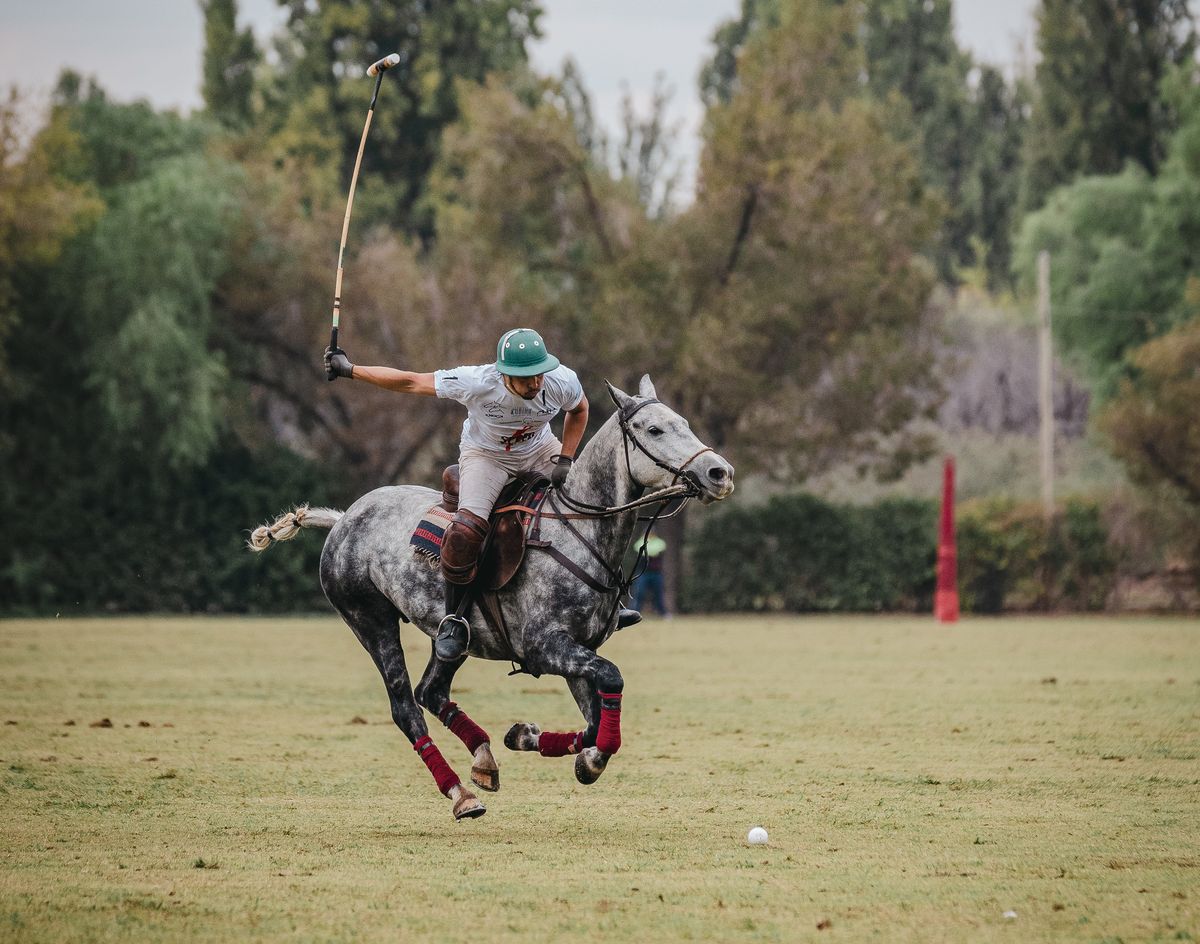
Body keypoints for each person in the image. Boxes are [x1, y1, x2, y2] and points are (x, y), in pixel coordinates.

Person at [324, 328, 637, 661]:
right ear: (504, 374)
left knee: (591, 505)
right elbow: (411, 382)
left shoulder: (561, 380)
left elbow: (579, 410)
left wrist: (566, 458)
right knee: (465, 530)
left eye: (539, 374)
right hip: (487, 457)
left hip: (540, 449)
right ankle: (454, 620)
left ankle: (609, 603)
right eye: (526, 378)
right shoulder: (476, 382)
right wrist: (350, 370)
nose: (536, 383)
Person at [633, 534, 669, 617]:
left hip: (656, 572)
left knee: (658, 594)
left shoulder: (659, 542)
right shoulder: (641, 541)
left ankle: (663, 613)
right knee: (639, 593)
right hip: (643, 573)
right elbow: (638, 548)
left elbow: (654, 551)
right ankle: (634, 612)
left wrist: (648, 552)